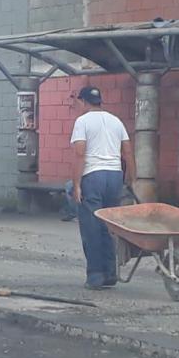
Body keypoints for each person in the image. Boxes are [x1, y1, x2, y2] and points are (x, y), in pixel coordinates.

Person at [70, 86, 134, 290]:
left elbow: (80, 154)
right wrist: (131, 180)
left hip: (93, 176)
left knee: (91, 227)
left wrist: (77, 184)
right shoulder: (116, 120)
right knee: (108, 226)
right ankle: (110, 273)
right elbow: (128, 153)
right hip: (114, 177)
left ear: (83, 101)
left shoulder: (82, 121)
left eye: (77, 101)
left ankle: (95, 275)